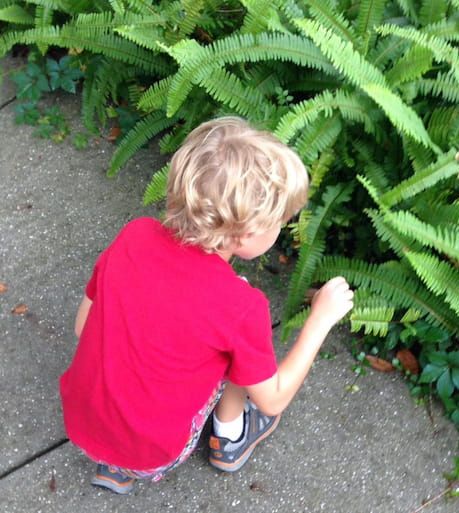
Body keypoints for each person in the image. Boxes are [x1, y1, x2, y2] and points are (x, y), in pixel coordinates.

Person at [59, 117, 354, 494]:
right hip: (155, 453)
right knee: (239, 355)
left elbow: (83, 327)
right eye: (280, 222)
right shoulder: (241, 306)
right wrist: (320, 320)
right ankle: (229, 438)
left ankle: (116, 466)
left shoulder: (135, 235)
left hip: (82, 423)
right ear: (246, 236)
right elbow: (273, 399)